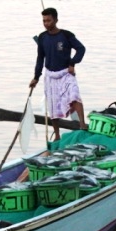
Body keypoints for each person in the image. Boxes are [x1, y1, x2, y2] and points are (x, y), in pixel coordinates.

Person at [29, 7, 86, 140]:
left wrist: (73, 63)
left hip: (66, 73)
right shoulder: (42, 37)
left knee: (74, 95)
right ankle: (57, 135)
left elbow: (81, 49)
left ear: (56, 20)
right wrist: (36, 77)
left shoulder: (66, 35)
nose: (46, 23)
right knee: (53, 106)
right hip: (51, 76)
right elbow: (40, 59)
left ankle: (82, 125)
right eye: (44, 21)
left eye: (49, 20)